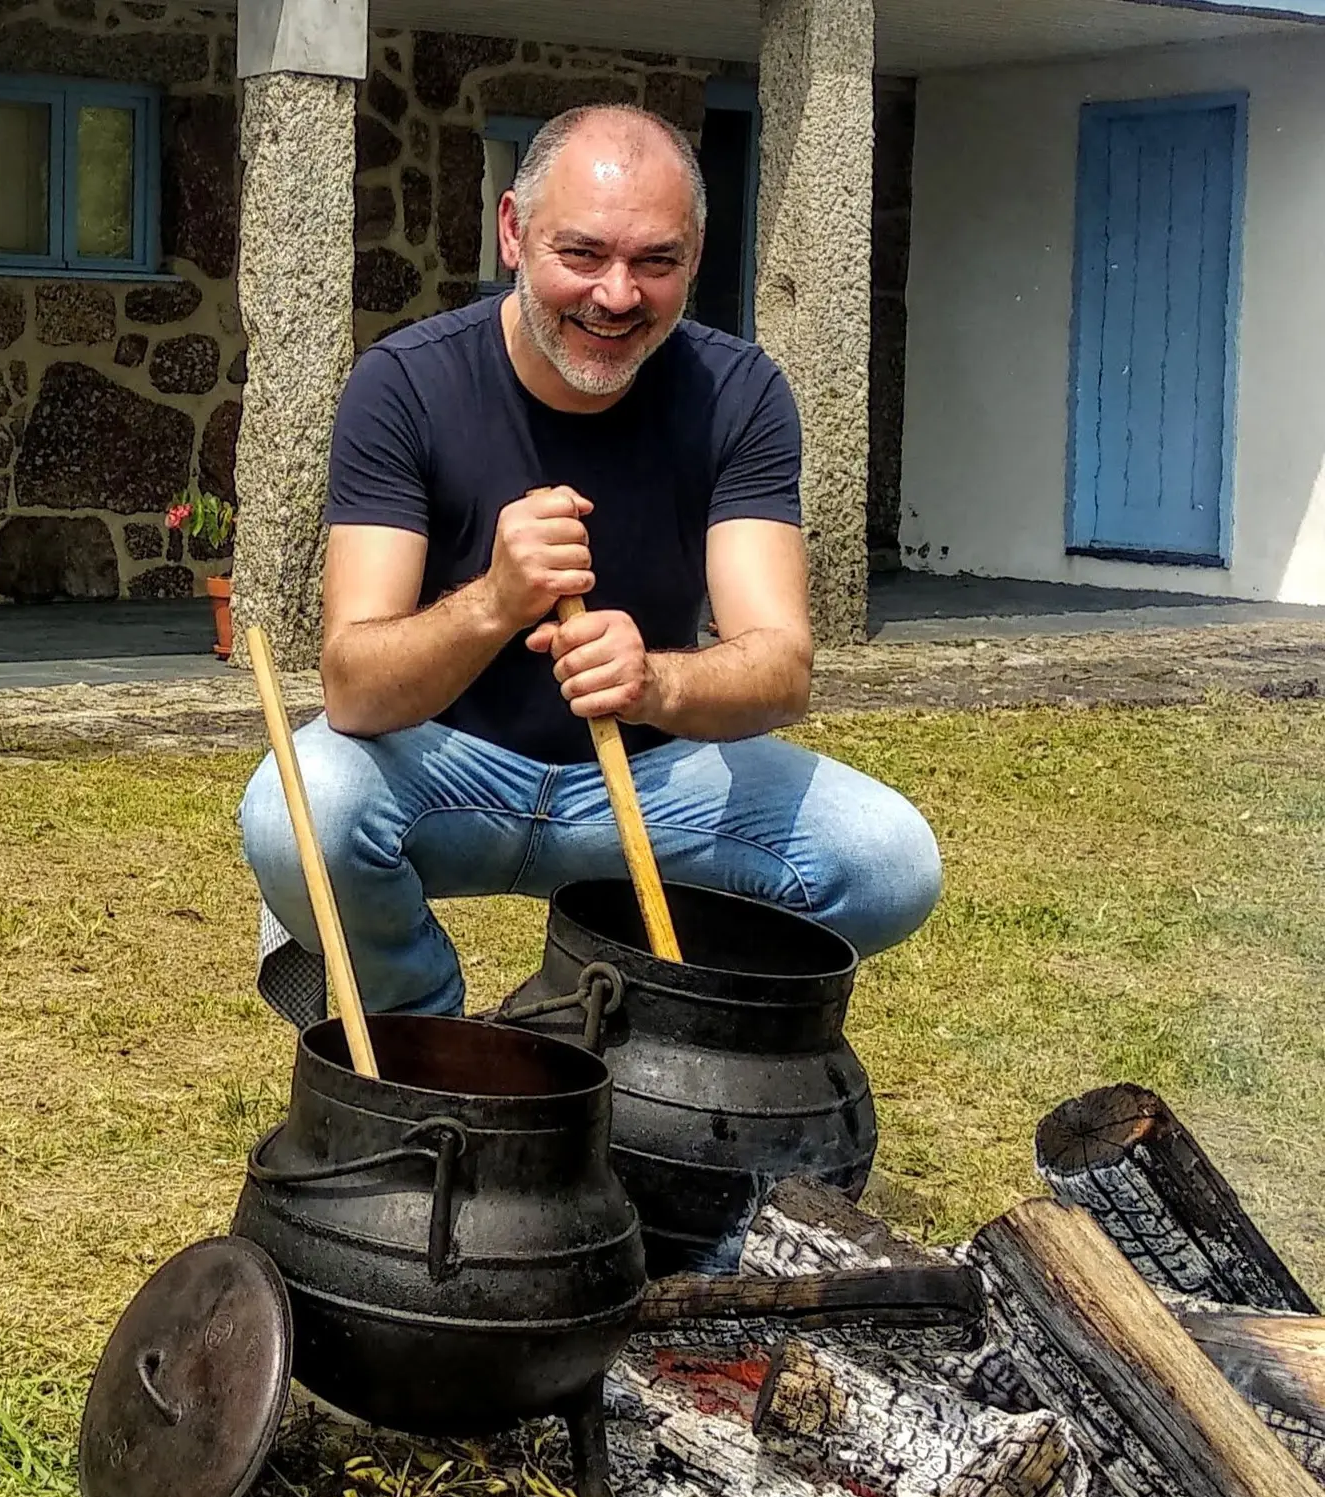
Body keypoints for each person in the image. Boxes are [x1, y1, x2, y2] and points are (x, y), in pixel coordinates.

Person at [241, 104, 941, 1021]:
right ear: (512, 233)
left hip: (652, 783)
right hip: (444, 774)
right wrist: (494, 600)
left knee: (887, 861)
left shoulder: (739, 395)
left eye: (657, 262)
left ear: (695, 255)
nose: (617, 296)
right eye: (582, 255)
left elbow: (781, 667)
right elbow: (354, 691)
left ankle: (585, 1016)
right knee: (297, 808)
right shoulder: (406, 385)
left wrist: (654, 680)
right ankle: (429, 1035)